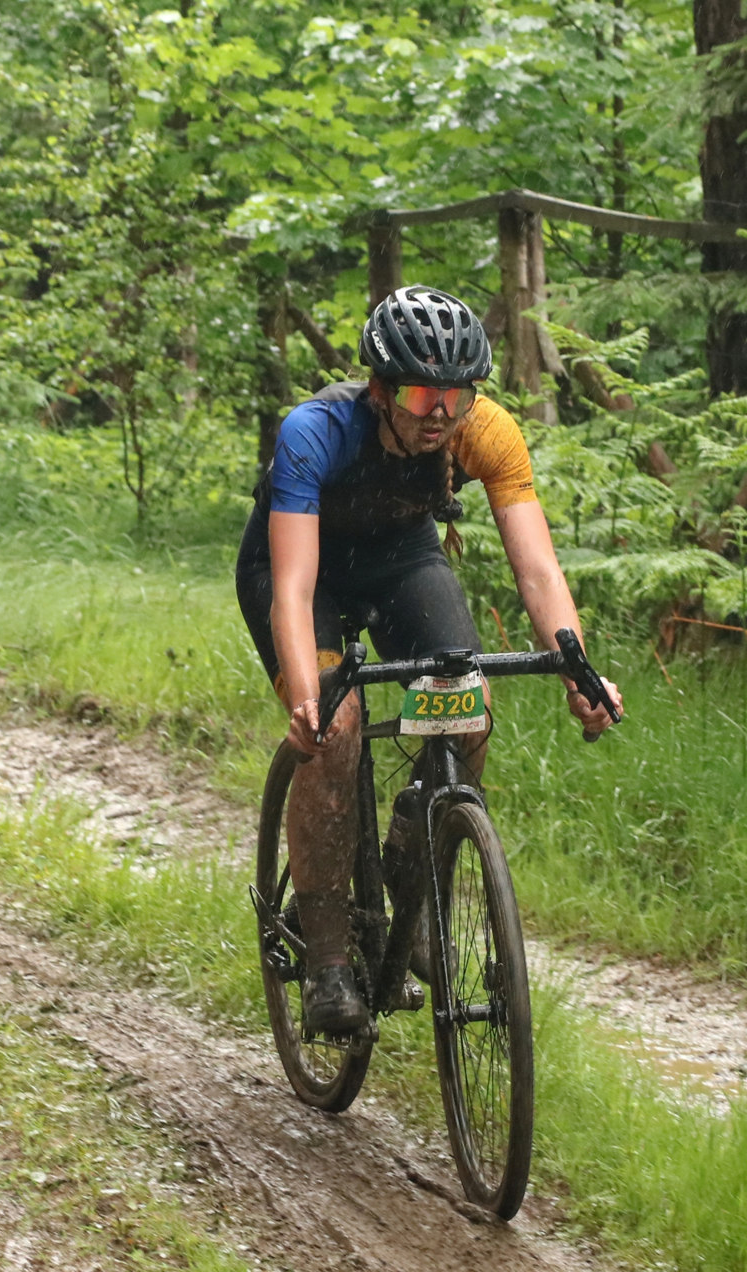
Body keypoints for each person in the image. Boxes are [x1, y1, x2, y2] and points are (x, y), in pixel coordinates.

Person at [235, 285, 621, 1033]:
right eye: (420, 394)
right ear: (381, 390)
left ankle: (414, 872)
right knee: (337, 727)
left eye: (457, 395)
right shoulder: (315, 431)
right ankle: (327, 957)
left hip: (400, 559)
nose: (441, 412)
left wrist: (579, 670)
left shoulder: (488, 432)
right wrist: (308, 698)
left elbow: (538, 570)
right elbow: (293, 586)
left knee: (467, 706)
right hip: (302, 570)